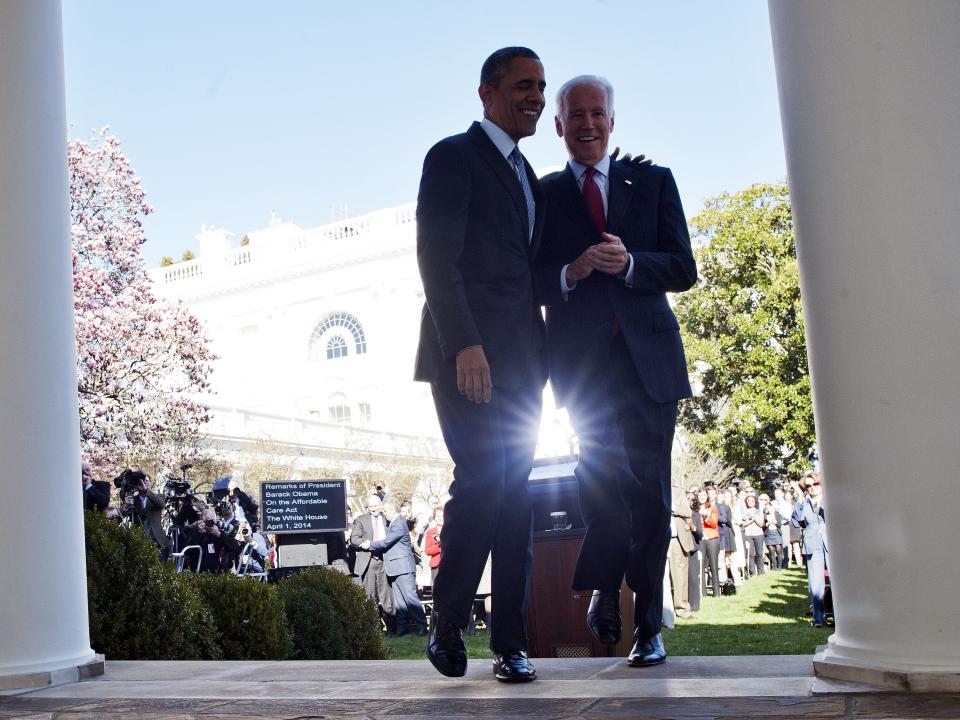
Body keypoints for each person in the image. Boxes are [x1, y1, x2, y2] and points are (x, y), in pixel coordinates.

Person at [534, 74, 697, 668]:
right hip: (583, 372)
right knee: (601, 479)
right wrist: (569, 274)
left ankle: (647, 626)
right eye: (574, 114)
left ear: (611, 120)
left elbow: (683, 267)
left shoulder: (652, 182)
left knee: (651, 494)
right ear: (558, 126)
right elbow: (531, 277)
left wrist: (631, 264)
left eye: (596, 112)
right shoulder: (544, 193)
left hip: (649, 365)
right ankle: (605, 582)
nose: (586, 123)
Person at [414, 46, 549, 682]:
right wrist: (464, 342)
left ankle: (513, 644)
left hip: (525, 367)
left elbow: (528, 271)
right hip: (465, 355)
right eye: (524, 85)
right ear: (486, 92)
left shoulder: (529, 176)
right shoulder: (452, 158)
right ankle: (445, 622)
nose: (536, 96)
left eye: (541, 87)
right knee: (483, 483)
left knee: (516, 497)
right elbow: (436, 259)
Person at [362, 499, 429, 637]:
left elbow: (387, 542)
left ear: (392, 510)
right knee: (399, 602)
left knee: (410, 599)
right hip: (395, 568)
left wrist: (370, 544)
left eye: (385, 511)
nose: (384, 514)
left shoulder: (398, 523)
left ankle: (422, 626)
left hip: (403, 568)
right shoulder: (393, 523)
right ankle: (402, 628)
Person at [351, 494, 396, 634]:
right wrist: (368, 545)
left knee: (387, 596)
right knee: (370, 597)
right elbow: (354, 539)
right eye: (371, 506)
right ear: (367, 508)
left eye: (376, 505)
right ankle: (374, 630)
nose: (374, 509)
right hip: (368, 561)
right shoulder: (361, 520)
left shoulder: (387, 518)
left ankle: (392, 629)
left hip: (385, 561)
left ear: (380, 506)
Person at [792, 470, 828, 627]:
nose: (812, 487)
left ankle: (840, 616)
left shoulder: (828, 499)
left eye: (815, 484)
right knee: (816, 582)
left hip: (829, 541)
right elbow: (797, 521)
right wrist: (801, 500)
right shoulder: (803, 504)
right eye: (808, 486)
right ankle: (818, 618)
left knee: (836, 580)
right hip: (812, 544)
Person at [668, 479, 696, 619]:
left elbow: (688, 512)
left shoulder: (678, 492)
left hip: (676, 540)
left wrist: (673, 507)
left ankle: (682, 608)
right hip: (658, 539)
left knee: (679, 575)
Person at [182, 508, 242, 573]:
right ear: (201, 521)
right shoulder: (195, 532)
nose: (210, 523)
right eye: (208, 520)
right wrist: (199, 533)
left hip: (215, 574)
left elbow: (234, 547)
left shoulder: (218, 532)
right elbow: (187, 551)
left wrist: (219, 534)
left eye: (212, 520)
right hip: (198, 573)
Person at [741, 493, 766, 577]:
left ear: (755, 502)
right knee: (750, 554)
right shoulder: (744, 512)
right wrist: (751, 521)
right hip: (748, 534)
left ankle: (761, 571)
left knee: (759, 553)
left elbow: (761, 524)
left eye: (752, 500)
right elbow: (743, 524)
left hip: (758, 534)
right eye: (748, 501)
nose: (750, 502)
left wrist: (754, 519)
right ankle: (752, 572)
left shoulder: (759, 511)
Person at [424, 506, 444, 587]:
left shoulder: (452, 530)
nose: (440, 518)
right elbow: (427, 551)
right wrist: (440, 545)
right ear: (435, 518)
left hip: (450, 564)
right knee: (436, 590)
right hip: (436, 565)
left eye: (442, 516)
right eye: (438, 516)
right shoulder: (430, 532)